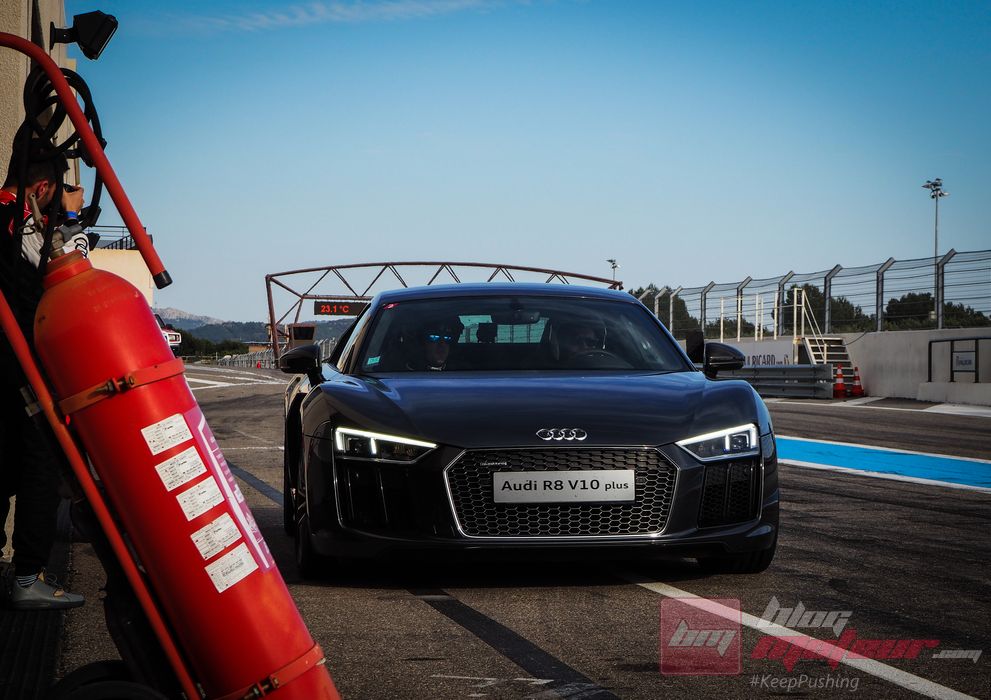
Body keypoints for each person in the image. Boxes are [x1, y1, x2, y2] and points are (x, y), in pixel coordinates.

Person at [0, 143, 85, 609]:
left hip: (10, 368)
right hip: (20, 368)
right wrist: (70, 220)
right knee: (40, 464)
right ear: (44, 186)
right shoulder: (17, 224)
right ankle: (29, 575)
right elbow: (69, 274)